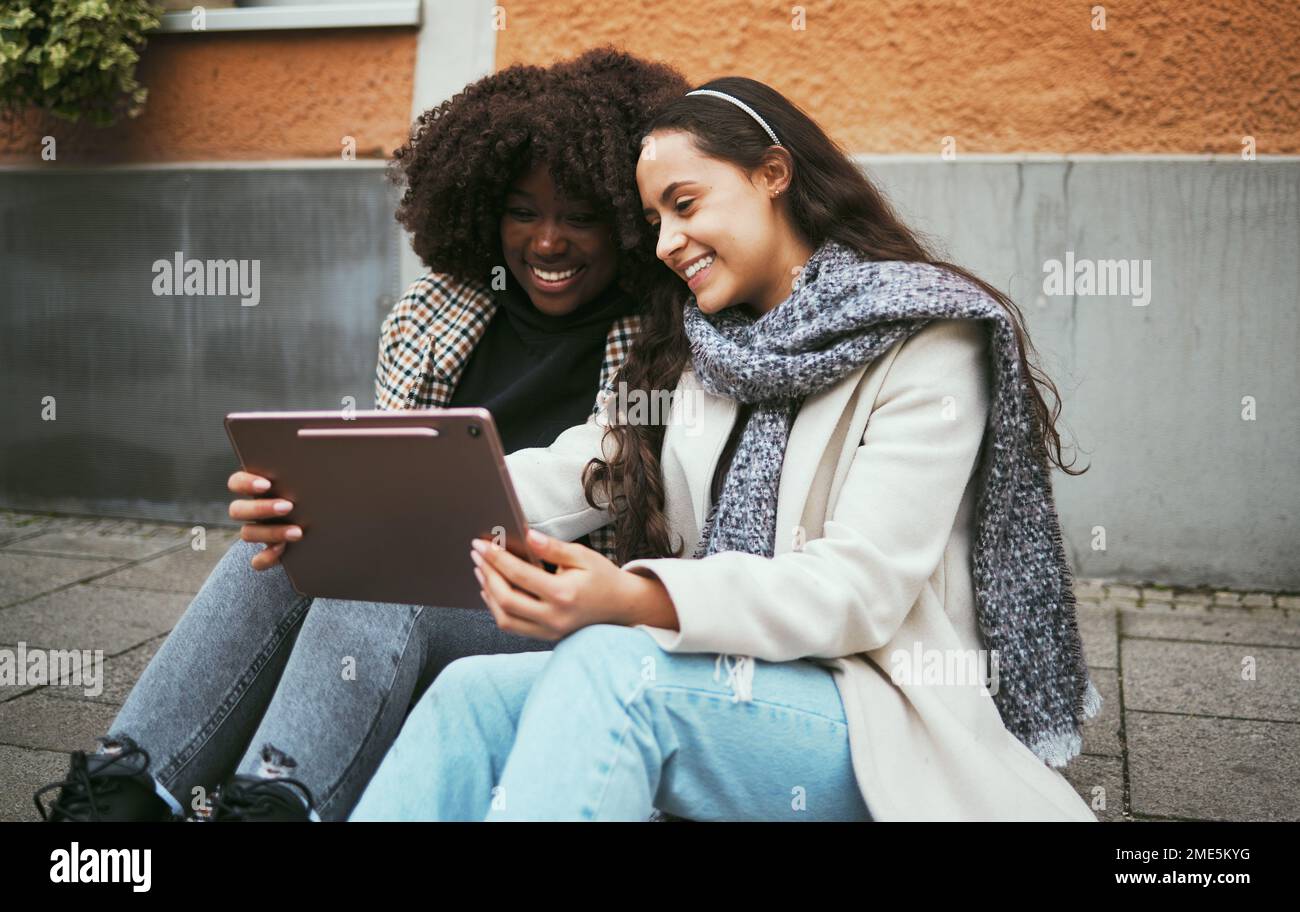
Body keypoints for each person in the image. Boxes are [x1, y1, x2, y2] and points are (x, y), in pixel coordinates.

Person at [350, 77, 1103, 822]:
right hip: (724, 679)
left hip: (871, 711)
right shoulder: (700, 343)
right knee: (469, 695)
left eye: (686, 205)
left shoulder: (929, 338)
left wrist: (637, 598)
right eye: (653, 221)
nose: (667, 243)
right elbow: (580, 467)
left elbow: (857, 591)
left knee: (614, 667)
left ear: (773, 174)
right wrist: (367, 496)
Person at [32, 47, 691, 823]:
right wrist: (302, 502)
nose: (547, 242)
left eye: (580, 216)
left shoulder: (663, 339)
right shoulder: (435, 313)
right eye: (523, 210)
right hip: (417, 581)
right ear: (484, 208)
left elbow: (609, 474)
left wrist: (404, 519)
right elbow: (376, 467)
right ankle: (120, 797)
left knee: (380, 580)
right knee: (278, 555)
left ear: (627, 218)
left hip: (552, 609)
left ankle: (277, 804)